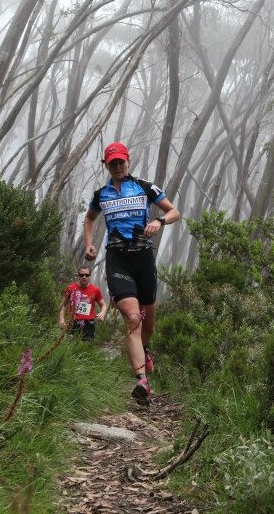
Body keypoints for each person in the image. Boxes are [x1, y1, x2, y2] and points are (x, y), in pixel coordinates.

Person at [83, 141, 179, 405]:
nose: (117, 167)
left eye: (121, 162)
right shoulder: (100, 195)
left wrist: (159, 221)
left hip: (144, 260)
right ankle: (141, 382)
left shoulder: (145, 187)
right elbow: (90, 218)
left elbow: (175, 212)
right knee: (133, 318)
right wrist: (89, 244)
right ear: (106, 165)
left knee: (148, 326)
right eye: (112, 163)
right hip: (118, 261)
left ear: (128, 161)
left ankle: (143, 349)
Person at [60, 265, 106, 341]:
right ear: (78, 275)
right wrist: (62, 319)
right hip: (73, 322)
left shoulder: (95, 290)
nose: (84, 277)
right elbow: (63, 305)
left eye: (87, 275)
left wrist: (102, 313)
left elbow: (103, 305)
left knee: (86, 349)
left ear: (90, 276)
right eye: (81, 275)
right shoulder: (70, 288)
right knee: (70, 347)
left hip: (89, 323)